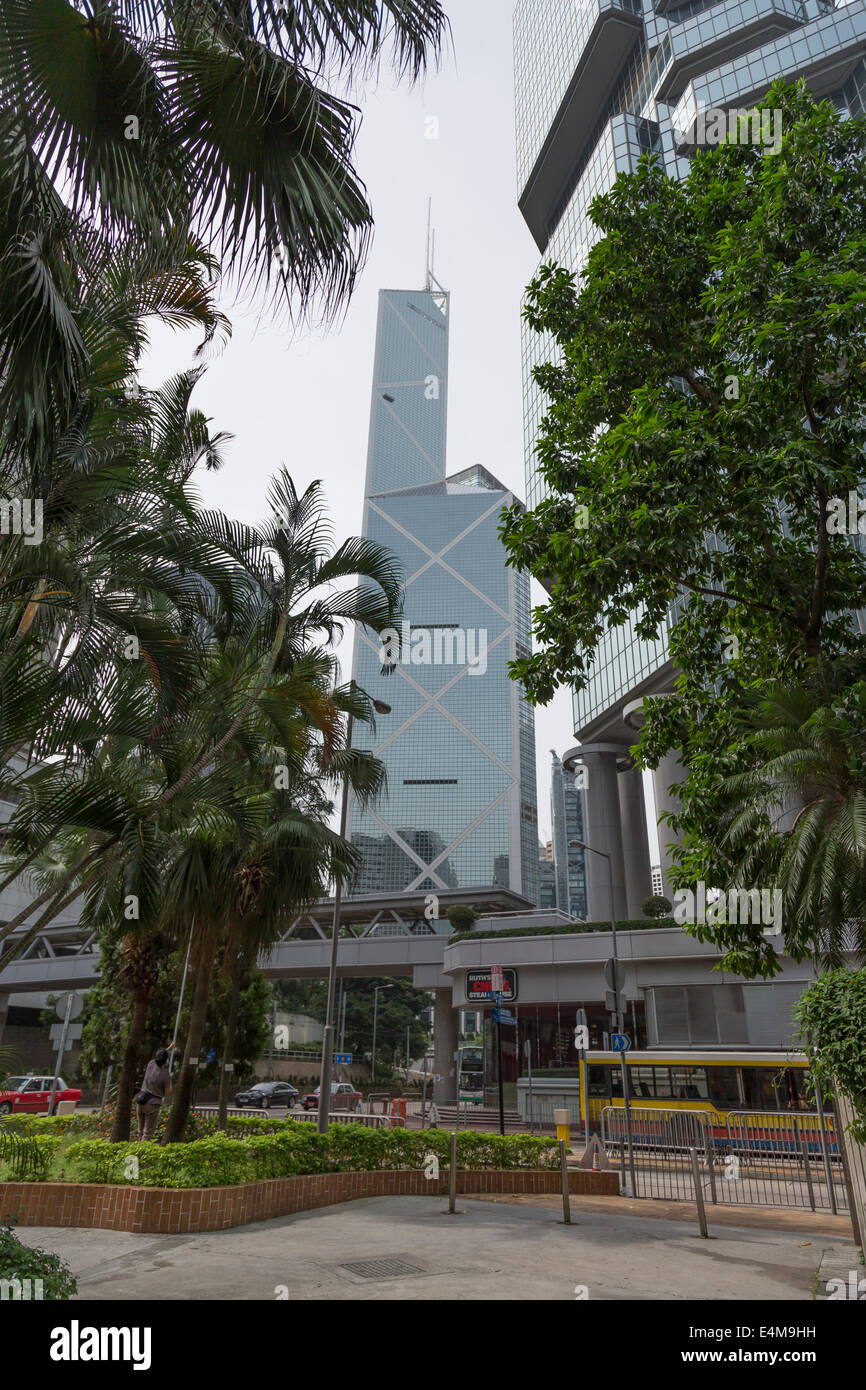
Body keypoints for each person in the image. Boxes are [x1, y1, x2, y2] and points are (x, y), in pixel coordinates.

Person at [136, 1042, 176, 1141]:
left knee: (140, 1131)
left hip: (141, 1101)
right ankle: (142, 1154)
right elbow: (168, 1091)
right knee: (147, 1133)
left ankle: (135, 1150)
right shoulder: (165, 1074)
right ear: (166, 1061)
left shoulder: (151, 1064)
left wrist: (169, 1048)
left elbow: (160, 1055)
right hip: (152, 1104)